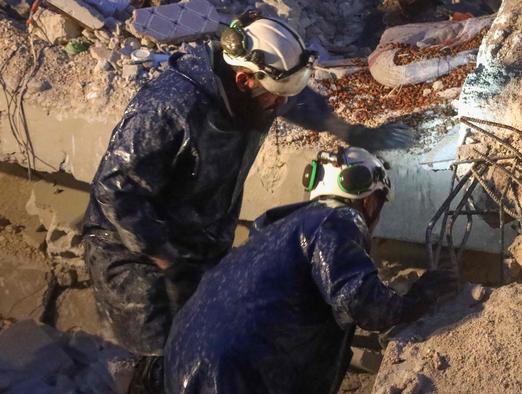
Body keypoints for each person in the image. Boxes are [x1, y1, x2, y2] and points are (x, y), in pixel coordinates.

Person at [81, 10, 411, 358]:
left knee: (209, 347)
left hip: (198, 245)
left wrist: (355, 133)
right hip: (134, 252)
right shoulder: (171, 107)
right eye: (275, 96)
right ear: (244, 79)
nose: (281, 105)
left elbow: (299, 101)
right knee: (160, 355)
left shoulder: (260, 89)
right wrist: (167, 261)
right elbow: (116, 190)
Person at [163, 147, 459, 394]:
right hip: (231, 370)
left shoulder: (277, 228)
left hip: (181, 353)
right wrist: (418, 298)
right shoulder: (338, 221)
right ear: (369, 201)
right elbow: (363, 302)